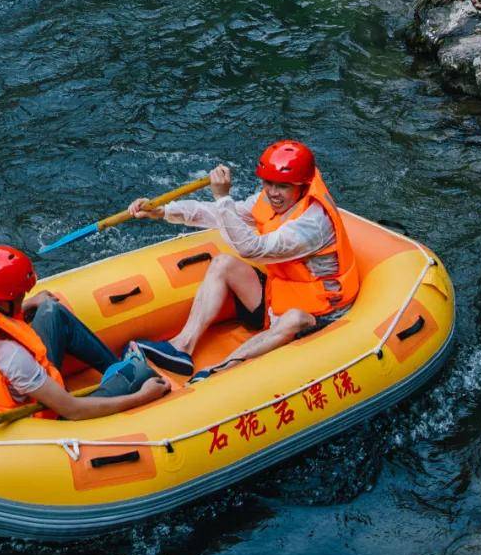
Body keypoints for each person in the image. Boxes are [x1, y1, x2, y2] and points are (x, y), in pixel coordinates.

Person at [128, 140, 361, 380]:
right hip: (279, 295)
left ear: (302, 185)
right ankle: (181, 347)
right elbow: (219, 215)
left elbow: (251, 248)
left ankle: (221, 370)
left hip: (321, 312)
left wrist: (222, 197)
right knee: (223, 263)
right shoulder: (269, 200)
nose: (272, 192)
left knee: (293, 318)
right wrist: (164, 211)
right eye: (267, 183)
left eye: (282, 186)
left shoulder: (312, 224)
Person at [0, 246, 168, 418]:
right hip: (49, 411)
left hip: (5, 380)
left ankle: (112, 368)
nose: (22, 297)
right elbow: (72, 410)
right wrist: (143, 396)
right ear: (3, 301)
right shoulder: (14, 358)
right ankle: (128, 374)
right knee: (140, 372)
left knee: (50, 310)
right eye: (19, 296)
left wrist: (28, 304)